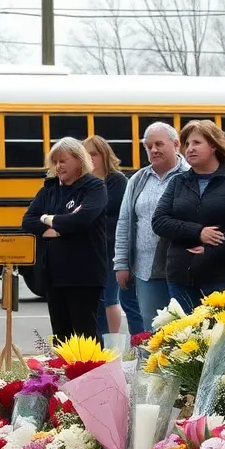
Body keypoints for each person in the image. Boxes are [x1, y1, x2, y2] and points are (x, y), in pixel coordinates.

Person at [152, 120, 225, 312]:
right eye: (187, 144)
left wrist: (211, 250)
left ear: (214, 145)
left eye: (197, 143)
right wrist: (198, 232)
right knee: (186, 339)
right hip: (181, 275)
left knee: (224, 339)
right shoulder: (177, 182)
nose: (189, 149)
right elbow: (159, 221)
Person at [22, 137, 108, 341]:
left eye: (63, 160)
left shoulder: (94, 187)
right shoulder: (49, 190)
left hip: (85, 274)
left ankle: (93, 373)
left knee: (86, 334)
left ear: (79, 160)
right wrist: (54, 225)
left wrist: (51, 220)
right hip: (54, 274)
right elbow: (28, 221)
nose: (58, 166)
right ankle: (65, 373)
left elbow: (82, 219)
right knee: (62, 335)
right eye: (56, 162)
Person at [113, 122, 189, 329]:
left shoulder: (190, 175)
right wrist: (121, 263)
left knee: (187, 328)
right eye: (148, 146)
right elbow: (125, 222)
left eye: (158, 144)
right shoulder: (138, 179)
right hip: (146, 269)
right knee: (153, 329)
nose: (153, 150)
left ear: (175, 144)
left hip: (186, 267)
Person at [83, 135, 142, 336]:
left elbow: (103, 209)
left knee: (110, 299)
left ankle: (112, 341)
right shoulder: (84, 181)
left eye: (94, 154)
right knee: (95, 300)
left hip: (111, 247)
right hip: (89, 248)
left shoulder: (116, 181)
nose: (90, 158)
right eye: (86, 154)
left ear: (104, 155)